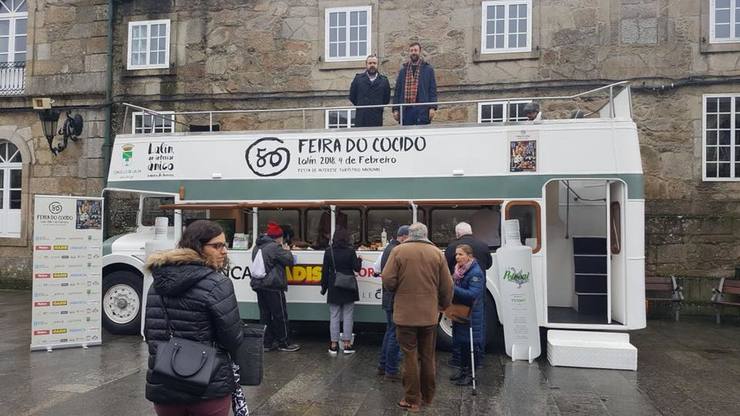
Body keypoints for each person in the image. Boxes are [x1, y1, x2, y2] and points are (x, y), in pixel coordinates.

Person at [144, 220, 244, 416]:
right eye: (217, 246)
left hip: (165, 383)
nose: (224, 251)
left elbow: (151, 332)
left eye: (225, 245)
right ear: (197, 246)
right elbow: (232, 339)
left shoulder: (157, 283)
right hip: (208, 385)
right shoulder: (218, 283)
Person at [382, 222, 453, 412]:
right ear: (426, 234)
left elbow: (387, 279)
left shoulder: (398, 251)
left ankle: (412, 399)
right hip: (429, 314)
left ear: (409, 234)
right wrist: (443, 305)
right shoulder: (437, 253)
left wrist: (398, 290)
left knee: (409, 355)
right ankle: (428, 396)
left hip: (405, 315)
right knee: (428, 356)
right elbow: (447, 286)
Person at [443, 222, 492, 368]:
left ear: (458, 234)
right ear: (471, 231)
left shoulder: (452, 247)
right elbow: (489, 264)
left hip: (459, 292)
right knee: (478, 326)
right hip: (479, 291)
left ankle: (458, 359)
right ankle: (478, 358)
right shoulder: (483, 245)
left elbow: (446, 267)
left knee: (458, 325)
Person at [251, 221, 300, 352]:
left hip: (259, 285)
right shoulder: (274, 247)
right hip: (273, 285)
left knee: (265, 315)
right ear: (278, 237)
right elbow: (289, 261)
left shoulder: (257, 246)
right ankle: (284, 343)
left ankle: (266, 343)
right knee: (280, 315)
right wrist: (287, 250)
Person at [320, 227, 362, 355]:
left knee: (334, 316)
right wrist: (359, 260)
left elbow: (324, 272)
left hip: (334, 285)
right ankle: (347, 344)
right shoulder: (350, 251)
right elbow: (357, 268)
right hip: (348, 286)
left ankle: (333, 345)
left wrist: (324, 287)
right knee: (348, 316)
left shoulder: (329, 252)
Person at [448, 244, 486, 386]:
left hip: (471, 313)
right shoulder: (459, 270)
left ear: (469, 256)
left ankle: (470, 374)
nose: (457, 257)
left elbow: (473, 294)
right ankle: (463, 371)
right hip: (460, 311)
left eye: (461, 254)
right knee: (461, 343)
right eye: (456, 254)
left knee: (471, 344)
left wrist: (453, 288)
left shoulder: (475, 272)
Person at [375, 225, 410, 380]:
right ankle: (391, 369)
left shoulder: (389, 248)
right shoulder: (396, 251)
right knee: (395, 334)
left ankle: (383, 365)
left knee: (390, 331)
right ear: (403, 237)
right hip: (394, 297)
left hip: (388, 297)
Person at [392, 42, 438, 126]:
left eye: (415, 50)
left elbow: (432, 90)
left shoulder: (428, 69)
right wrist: (395, 109)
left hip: (422, 109)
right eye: (411, 50)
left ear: (419, 52)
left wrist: (432, 107)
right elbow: (397, 92)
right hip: (406, 109)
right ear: (409, 52)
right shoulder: (403, 71)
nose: (413, 52)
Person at [349, 54, 391, 127]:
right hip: (361, 117)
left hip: (376, 117)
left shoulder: (384, 80)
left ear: (377, 65)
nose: (372, 65)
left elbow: (386, 99)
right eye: (370, 63)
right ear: (366, 65)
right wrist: (362, 104)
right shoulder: (358, 79)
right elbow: (352, 96)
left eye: (374, 63)